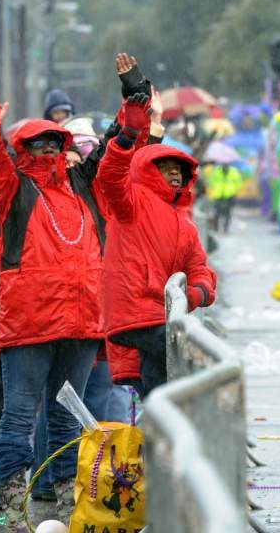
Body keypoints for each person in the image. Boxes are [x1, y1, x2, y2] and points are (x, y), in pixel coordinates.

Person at [0, 65, 107, 532]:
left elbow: (120, 154)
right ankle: (17, 512)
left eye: (53, 143)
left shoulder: (82, 188)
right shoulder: (10, 187)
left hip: (81, 323)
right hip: (29, 323)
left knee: (66, 423)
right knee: (18, 419)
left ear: (65, 148)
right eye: (36, 144)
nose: (45, 150)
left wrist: (136, 101)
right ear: (22, 150)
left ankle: (65, 511)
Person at [97, 93, 218, 396]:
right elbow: (111, 175)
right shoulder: (132, 202)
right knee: (195, 362)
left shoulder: (184, 221)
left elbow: (199, 268)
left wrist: (197, 293)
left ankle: (161, 440)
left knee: (160, 395)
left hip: (162, 316)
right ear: (150, 171)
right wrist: (128, 134)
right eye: (167, 168)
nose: (176, 173)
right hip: (138, 315)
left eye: (179, 169)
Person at [203, 161, 244, 233]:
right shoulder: (217, 171)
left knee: (228, 213)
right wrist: (215, 188)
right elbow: (211, 182)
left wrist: (234, 190)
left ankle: (225, 229)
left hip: (229, 195)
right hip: (218, 195)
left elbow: (238, 182)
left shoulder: (234, 172)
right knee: (217, 212)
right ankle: (216, 228)